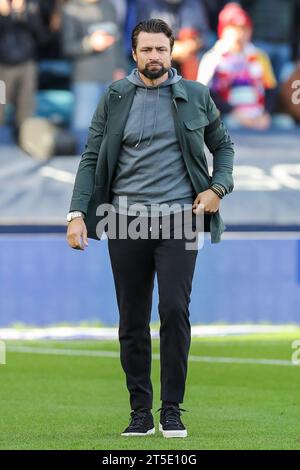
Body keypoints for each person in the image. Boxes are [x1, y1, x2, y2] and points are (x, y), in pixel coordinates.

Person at [66, 19, 234, 438]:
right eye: (147, 50)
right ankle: (140, 412)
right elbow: (90, 157)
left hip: (180, 218)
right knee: (132, 320)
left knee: (175, 310)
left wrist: (218, 187)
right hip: (124, 220)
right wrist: (76, 214)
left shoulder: (196, 96)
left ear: (172, 50)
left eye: (161, 49)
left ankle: (172, 410)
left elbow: (224, 147)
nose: (154, 56)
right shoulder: (115, 96)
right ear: (135, 53)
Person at [197, 2, 277, 130]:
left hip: (258, 117)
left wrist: (266, 114)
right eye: (234, 28)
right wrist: (233, 112)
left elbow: (270, 89)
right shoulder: (213, 58)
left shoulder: (260, 56)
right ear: (224, 30)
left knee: (286, 123)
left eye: (244, 29)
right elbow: (203, 94)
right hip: (228, 119)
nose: (240, 34)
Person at [61, 0, 128, 153]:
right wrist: (90, 43)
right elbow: (67, 47)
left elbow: (117, 42)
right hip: (86, 79)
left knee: (113, 130)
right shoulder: (71, 9)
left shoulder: (108, 7)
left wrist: (120, 67)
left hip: (111, 77)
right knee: (83, 132)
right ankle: (80, 172)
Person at [0, 0, 48, 140]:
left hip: (27, 66)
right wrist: (5, 16)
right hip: (3, 67)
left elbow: (43, 37)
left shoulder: (32, 7)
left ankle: (24, 141)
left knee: (25, 108)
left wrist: (22, 14)